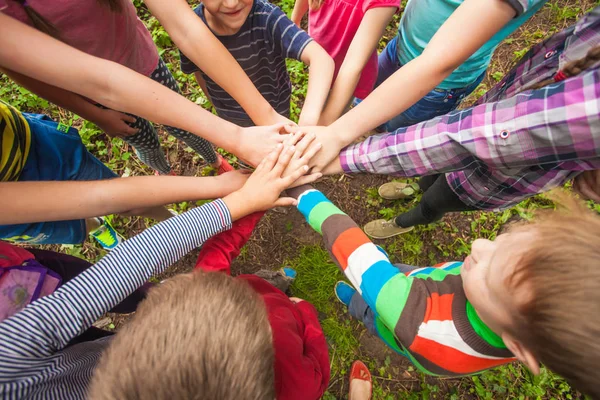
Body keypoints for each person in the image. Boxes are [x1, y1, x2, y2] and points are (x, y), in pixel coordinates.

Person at [0, 142, 319, 400]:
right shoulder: (299, 386)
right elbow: (315, 363)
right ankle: (278, 292)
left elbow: (122, 273)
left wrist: (244, 201)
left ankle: (272, 287)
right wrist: (302, 311)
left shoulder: (9, 358)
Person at [289, 183, 600, 398]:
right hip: (426, 299)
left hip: (402, 321)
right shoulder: (530, 328)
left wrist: (304, 194)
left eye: (491, 271)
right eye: (500, 241)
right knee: (394, 278)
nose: (478, 246)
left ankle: (358, 305)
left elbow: (355, 251)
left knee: (371, 301)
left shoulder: (415, 317)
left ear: (519, 346)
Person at [316, 7, 600, 237]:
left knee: (436, 201)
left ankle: (406, 222)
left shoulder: (591, 105)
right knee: (429, 177)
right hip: (480, 122)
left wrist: (345, 155)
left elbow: (478, 136)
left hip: (498, 177)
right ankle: (413, 187)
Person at [0, 0, 296, 174]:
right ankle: (163, 172)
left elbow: (185, 27)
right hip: (94, 93)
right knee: (143, 141)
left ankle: (213, 159)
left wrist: (262, 116)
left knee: (188, 127)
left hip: (143, 60)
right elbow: (33, 74)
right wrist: (95, 115)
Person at [295, 0, 553, 172]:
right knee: (370, 100)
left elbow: (436, 63)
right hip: (400, 48)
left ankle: (375, 139)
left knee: (394, 129)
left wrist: (333, 132)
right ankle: (368, 125)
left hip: (437, 84)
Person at [180, 0, 334, 127]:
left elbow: (320, 58)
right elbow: (198, 71)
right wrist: (215, 103)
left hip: (276, 109)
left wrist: (307, 122)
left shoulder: (267, 17)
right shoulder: (190, 31)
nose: (232, 3)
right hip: (232, 117)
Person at [291, 0, 399, 125]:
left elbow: (352, 67)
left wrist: (324, 127)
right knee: (316, 103)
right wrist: (295, 20)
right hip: (319, 57)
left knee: (334, 112)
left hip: (347, 74)